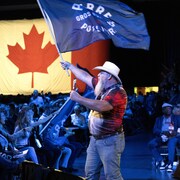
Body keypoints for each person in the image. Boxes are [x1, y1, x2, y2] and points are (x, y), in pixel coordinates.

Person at [61, 61, 127, 180]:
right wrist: (69, 66)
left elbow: (102, 106)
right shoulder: (103, 87)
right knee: (90, 174)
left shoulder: (118, 92)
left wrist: (79, 99)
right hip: (95, 140)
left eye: (101, 73)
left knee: (112, 176)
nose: (98, 75)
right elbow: (85, 76)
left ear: (109, 76)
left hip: (110, 140)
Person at [148, 102, 180, 172]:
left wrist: (176, 132)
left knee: (171, 142)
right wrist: (162, 133)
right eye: (167, 109)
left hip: (173, 136)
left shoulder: (176, 118)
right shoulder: (159, 119)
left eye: (170, 109)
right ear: (163, 110)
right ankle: (161, 161)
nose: (169, 110)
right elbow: (155, 129)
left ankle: (170, 164)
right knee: (151, 144)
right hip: (163, 136)